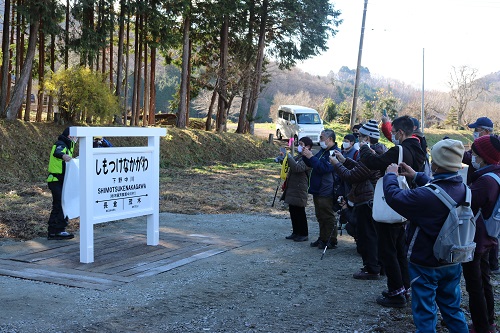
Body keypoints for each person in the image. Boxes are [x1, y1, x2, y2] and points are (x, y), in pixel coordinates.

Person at [384, 138, 469, 332]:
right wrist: (417, 176)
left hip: (425, 262)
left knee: (425, 311)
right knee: (452, 307)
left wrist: (390, 176)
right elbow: (440, 190)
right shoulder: (464, 189)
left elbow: (394, 197)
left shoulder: (424, 196)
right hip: (453, 258)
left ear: (436, 164)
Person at [359, 115, 427, 308]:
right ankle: (404, 287)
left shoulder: (400, 150)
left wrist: (364, 147)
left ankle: (395, 292)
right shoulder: (419, 147)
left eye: (394, 132)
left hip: (391, 202)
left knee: (387, 250)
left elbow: (374, 162)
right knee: (399, 250)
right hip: (407, 203)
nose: (393, 136)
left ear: (401, 132)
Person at [330, 121, 387, 280]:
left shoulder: (369, 154)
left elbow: (353, 176)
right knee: (373, 235)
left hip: (366, 199)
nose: (357, 138)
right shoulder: (376, 151)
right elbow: (361, 169)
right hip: (372, 198)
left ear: (367, 138)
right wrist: (344, 161)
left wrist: (335, 164)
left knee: (367, 236)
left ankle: (371, 268)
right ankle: (378, 266)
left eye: (360, 136)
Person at [462, 135, 500, 333]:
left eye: (474, 154)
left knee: (475, 285)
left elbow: (464, 200)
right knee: (484, 281)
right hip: (489, 237)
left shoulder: (485, 181)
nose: (471, 157)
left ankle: (481, 326)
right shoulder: (496, 174)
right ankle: (489, 322)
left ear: (484, 157)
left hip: (476, 238)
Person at [462, 116, 499, 275]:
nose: (474, 133)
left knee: (476, 280)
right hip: (485, 233)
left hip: (479, 235)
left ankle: (493, 263)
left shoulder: (486, 181)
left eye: (476, 130)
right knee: (482, 278)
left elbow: (468, 200)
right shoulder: (490, 172)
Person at [302, 129, 340, 249]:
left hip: (326, 189)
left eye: (322, 138)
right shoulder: (323, 151)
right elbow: (312, 163)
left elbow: (324, 168)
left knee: (327, 215)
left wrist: (311, 157)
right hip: (317, 189)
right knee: (320, 215)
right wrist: (306, 155)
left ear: (330, 139)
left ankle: (331, 239)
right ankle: (322, 237)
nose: (320, 140)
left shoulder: (334, 153)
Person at [46, 127, 78, 240]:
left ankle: (55, 230)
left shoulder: (68, 146)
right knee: (60, 204)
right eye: (75, 136)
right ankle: (57, 230)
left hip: (61, 180)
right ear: (69, 136)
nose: (76, 138)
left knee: (61, 204)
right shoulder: (61, 144)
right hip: (56, 180)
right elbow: (57, 152)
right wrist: (64, 156)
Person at [281, 137, 313, 242]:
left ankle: (303, 233)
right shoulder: (299, 156)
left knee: (300, 211)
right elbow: (291, 164)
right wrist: (283, 159)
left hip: (300, 187)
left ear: (308, 146)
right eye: (298, 144)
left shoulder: (308, 158)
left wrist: (288, 156)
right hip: (293, 186)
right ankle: (295, 232)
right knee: (293, 210)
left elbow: (297, 168)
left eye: (301, 144)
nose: (299, 146)